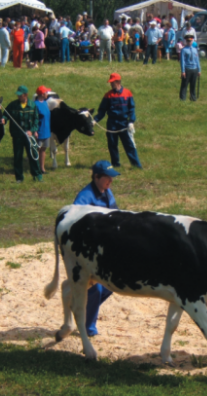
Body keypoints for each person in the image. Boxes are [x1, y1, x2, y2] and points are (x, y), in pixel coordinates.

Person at [72, 160, 120, 336]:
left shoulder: (107, 193)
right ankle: (88, 327)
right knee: (96, 288)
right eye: (107, 177)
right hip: (87, 252)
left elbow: (116, 215)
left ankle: (81, 309)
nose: (111, 181)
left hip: (103, 250)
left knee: (112, 284)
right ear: (96, 177)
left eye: (112, 178)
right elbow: (75, 222)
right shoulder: (84, 197)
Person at [94, 73, 142, 169]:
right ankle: (116, 164)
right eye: (111, 82)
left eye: (113, 82)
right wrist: (95, 120)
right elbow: (102, 110)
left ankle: (136, 165)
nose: (111, 84)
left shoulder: (127, 93)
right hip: (112, 123)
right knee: (112, 145)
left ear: (118, 82)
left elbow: (131, 109)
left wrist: (131, 121)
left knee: (129, 145)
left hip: (124, 123)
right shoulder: (108, 95)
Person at [5, 86, 43, 183]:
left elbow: (36, 120)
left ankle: (37, 176)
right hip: (17, 136)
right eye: (17, 95)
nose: (18, 97)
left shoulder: (32, 106)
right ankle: (19, 178)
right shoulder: (13, 105)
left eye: (20, 95)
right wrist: (3, 120)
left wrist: (32, 130)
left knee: (33, 156)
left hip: (30, 137)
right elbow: (5, 114)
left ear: (26, 95)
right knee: (18, 157)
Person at [34, 85, 51, 174]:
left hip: (46, 131)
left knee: (43, 149)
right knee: (37, 149)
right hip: (39, 131)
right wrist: (35, 131)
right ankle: (35, 167)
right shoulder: (35, 105)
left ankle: (42, 168)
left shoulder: (45, 102)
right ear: (42, 94)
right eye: (46, 92)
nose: (47, 94)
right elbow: (34, 119)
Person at [180, 33, 200, 101]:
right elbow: (182, 61)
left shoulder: (195, 49)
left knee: (193, 84)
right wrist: (183, 71)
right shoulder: (184, 50)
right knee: (184, 84)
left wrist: (199, 70)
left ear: (192, 41)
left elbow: (197, 60)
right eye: (188, 41)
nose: (189, 42)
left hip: (194, 69)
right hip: (187, 69)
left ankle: (193, 97)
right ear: (186, 41)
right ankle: (182, 98)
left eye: (190, 41)